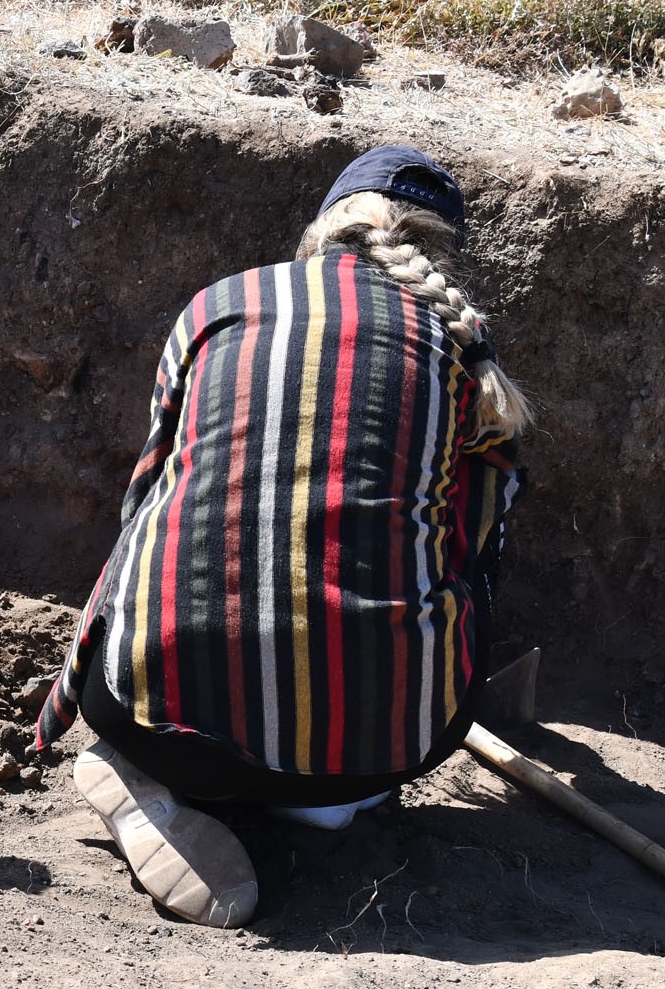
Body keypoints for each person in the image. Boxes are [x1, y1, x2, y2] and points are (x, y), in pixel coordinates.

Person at [36, 144, 529, 928]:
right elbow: (477, 545)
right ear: (436, 254)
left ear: (324, 228)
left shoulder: (216, 306)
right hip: (381, 748)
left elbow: (149, 499)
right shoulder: (466, 356)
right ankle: (320, 800)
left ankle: (158, 773)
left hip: (144, 713)